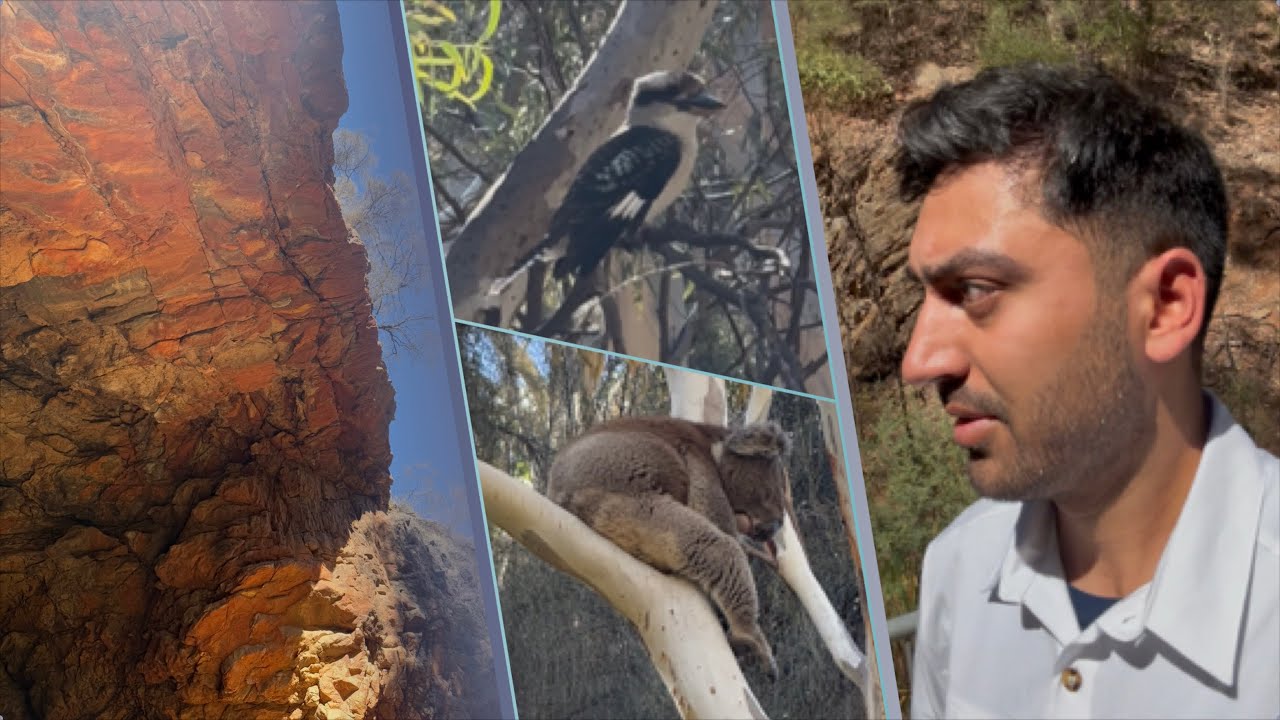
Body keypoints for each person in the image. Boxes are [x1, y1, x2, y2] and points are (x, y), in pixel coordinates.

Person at [895, 63, 1278, 719]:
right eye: (924, 296)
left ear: (1164, 306)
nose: (919, 361)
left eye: (977, 292)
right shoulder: (959, 569)